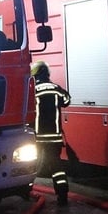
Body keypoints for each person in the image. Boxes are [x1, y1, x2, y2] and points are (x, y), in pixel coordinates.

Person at [31, 60, 71, 205]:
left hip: (37, 137)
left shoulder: (33, 90)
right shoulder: (56, 89)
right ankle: (62, 195)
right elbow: (67, 100)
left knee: (29, 165)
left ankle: (27, 191)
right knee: (56, 166)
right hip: (54, 137)